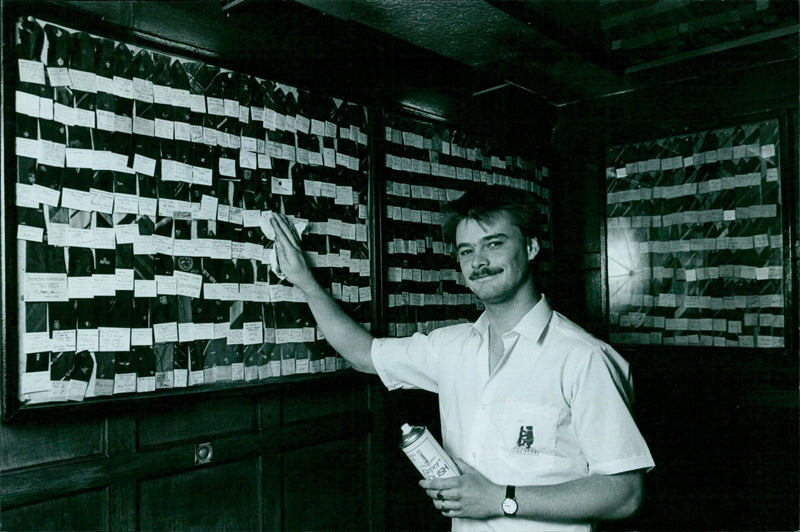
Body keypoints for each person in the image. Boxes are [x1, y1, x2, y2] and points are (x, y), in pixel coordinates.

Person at [270, 186, 654, 531]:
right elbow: (364, 355)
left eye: (494, 244)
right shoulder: (451, 347)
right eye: (466, 250)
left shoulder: (583, 358)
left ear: (532, 247)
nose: (479, 261)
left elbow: (624, 493)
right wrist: (304, 280)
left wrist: (500, 498)